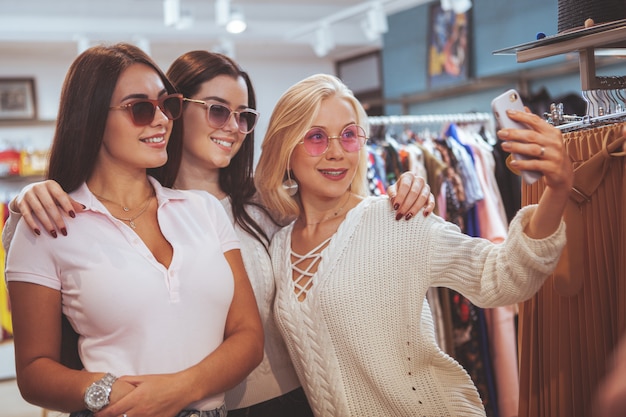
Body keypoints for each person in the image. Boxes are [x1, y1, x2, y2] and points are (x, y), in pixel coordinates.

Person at [3, 51, 435, 416]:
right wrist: (28, 197)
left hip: (296, 396)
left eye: (243, 115)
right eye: (216, 109)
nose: (232, 125)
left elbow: (343, 205)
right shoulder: (58, 217)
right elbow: (41, 338)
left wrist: (404, 189)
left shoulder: (270, 204)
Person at [253, 73, 573, 417]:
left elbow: (502, 277)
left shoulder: (394, 218)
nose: (336, 152)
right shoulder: (279, 245)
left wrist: (557, 191)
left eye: (348, 135)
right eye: (316, 137)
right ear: (285, 147)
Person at [5, 43, 265, 417]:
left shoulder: (203, 209)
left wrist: (180, 389)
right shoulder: (48, 225)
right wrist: (112, 393)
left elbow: (249, 336)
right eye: (140, 108)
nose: (161, 120)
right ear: (92, 117)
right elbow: (33, 371)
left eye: (167, 105)